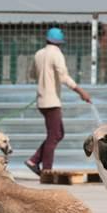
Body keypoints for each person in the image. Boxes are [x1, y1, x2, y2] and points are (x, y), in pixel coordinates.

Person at [25, 27, 91, 175]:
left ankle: (34, 160)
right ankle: (46, 170)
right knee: (54, 135)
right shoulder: (57, 54)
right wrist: (81, 92)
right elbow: (63, 77)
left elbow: (32, 75)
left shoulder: (38, 54)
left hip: (42, 101)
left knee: (58, 133)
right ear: (60, 42)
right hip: (52, 101)